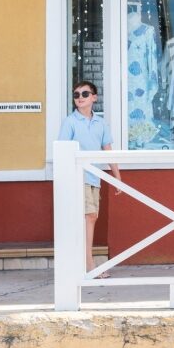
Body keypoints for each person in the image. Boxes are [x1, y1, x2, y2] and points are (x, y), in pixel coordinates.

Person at [58, 81, 121, 276]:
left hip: (95, 177)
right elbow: (62, 150)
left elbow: (108, 150)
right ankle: (89, 265)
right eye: (76, 95)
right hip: (78, 177)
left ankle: (83, 263)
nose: (80, 98)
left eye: (85, 94)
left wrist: (117, 177)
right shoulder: (70, 122)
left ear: (94, 97)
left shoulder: (101, 123)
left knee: (90, 217)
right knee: (89, 217)